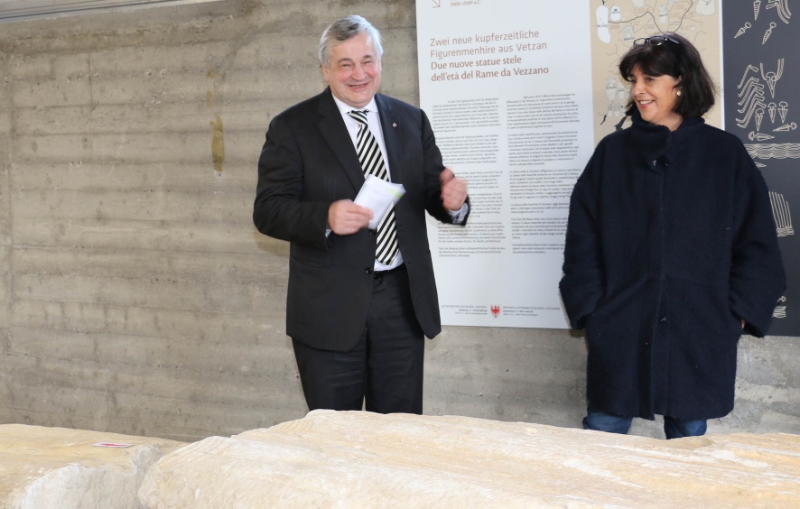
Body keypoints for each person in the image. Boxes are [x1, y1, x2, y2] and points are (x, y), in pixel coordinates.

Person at [560, 33, 785, 439]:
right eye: (634, 80)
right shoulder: (613, 153)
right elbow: (582, 241)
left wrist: (733, 315)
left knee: (688, 449)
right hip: (620, 327)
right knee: (599, 441)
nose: (638, 90)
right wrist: (592, 310)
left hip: (698, 330)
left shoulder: (724, 154)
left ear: (680, 82)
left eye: (650, 79)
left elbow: (757, 243)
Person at [253, 15, 468, 414]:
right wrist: (324, 217)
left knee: (399, 434)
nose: (359, 74)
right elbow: (267, 210)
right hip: (329, 310)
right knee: (335, 436)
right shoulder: (292, 127)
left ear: (380, 63)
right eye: (345, 64)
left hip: (401, 305)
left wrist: (452, 203)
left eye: (367, 61)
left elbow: (431, 191)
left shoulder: (411, 120)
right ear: (325, 70)